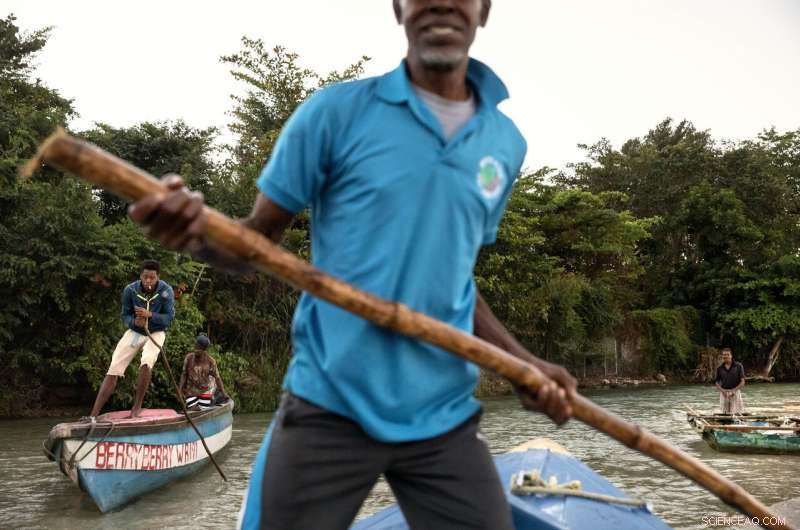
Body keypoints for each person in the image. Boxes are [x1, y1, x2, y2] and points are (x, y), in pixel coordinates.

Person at [129, 1, 576, 528]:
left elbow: (455, 278)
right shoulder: (335, 112)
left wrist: (520, 360)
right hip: (329, 404)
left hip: (443, 415)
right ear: (398, 7)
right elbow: (256, 243)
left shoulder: (505, 142)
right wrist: (193, 235)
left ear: (484, 9)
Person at [88, 260, 175, 419]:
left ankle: (136, 408)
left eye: (152, 277)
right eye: (145, 277)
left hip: (156, 332)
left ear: (158, 277)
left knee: (147, 360)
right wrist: (133, 321)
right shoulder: (130, 290)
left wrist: (150, 316)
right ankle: (93, 414)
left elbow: (169, 318)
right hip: (136, 332)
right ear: (140, 276)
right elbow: (125, 315)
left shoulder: (166, 291)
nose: (148, 281)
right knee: (114, 367)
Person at [179, 335, 228, 409]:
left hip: (204, 391)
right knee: (193, 409)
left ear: (204, 350)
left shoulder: (210, 361)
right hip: (190, 391)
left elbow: (217, 378)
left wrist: (224, 393)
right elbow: (184, 374)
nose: (196, 350)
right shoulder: (188, 358)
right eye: (196, 347)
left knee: (202, 410)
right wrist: (179, 390)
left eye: (199, 348)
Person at [715, 347, 745, 414]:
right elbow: (717, 383)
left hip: (735, 392)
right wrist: (723, 391)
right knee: (724, 413)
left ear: (731, 356)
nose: (725, 356)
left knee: (737, 413)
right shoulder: (719, 368)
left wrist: (733, 390)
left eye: (727, 354)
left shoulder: (738, 366)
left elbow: (742, 381)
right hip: (724, 393)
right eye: (724, 355)